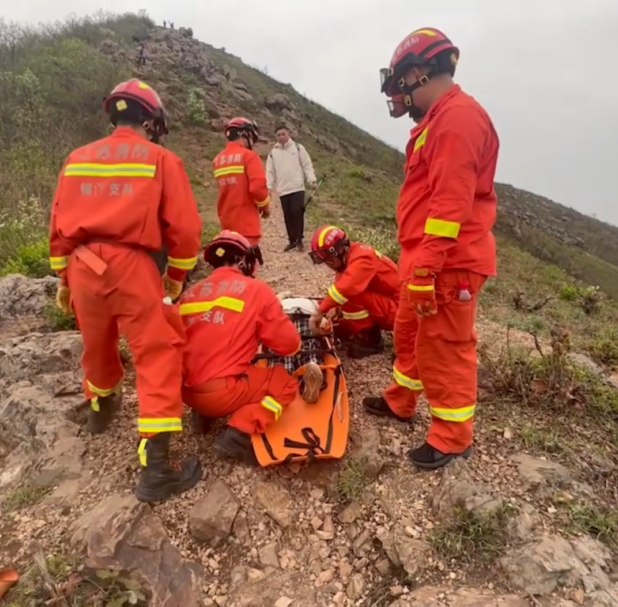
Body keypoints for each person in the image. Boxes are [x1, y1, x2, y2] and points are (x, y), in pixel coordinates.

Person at [48, 78, 204, 502]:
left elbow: (59, 222)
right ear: (151, 121)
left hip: (82, 265)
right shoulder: (160, 159)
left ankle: (100, 413)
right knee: (157, 353)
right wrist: (175, 277)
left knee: (95, 344)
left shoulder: (77, 158)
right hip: (132, 266)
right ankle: (156, 469)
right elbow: (185, 229)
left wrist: (64, 279)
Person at [367, 27, 500, 470]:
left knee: (445, 345)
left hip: (448, 264)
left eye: (400, 85)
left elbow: (449, 204)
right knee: (410, 335)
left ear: (419, 72)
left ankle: (451, 435)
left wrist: (425, 270)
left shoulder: (457, 118)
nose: (399, 98)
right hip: (423, 260)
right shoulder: (435, 122)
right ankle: (402, 401)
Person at [179, 230, 325, 464]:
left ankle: (203, 415)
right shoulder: (256, 291)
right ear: (244, 260)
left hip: (185, 392)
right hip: (221, 392)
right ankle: (238, 433)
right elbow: (288, 345)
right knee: (284, 384)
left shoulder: (190, 294)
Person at [307, 225, 399, 359]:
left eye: (329, 259)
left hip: (401, 311)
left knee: (348, 296)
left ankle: (370, 340)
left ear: (339, 251)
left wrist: (319, 312)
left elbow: (345, 289)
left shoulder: (363, 258)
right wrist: (333, 309)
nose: (328, 264)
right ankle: (363, 331)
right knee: (341, 308)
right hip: (391, 304)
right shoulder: (350, 258)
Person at [213, 117, 271, 247]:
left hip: (226, 224)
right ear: (245, 134)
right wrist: (265, 207)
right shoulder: (249, 156)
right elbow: (257, 188)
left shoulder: (217, 160)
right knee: (247, 264)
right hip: (246, 226)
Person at [265, 125, 316, 252]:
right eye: (278, 135)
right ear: (276, 137)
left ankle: (299, 239)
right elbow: (270, 171)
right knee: (287, 215)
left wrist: (311, 179)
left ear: (289, 134)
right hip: (283, 189)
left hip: (297, 187)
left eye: (283, 134)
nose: (281, 137)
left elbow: (307, 164)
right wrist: (268, 186)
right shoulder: (273, 153)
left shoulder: (298, 148)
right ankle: (292, 240)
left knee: (297, 212)